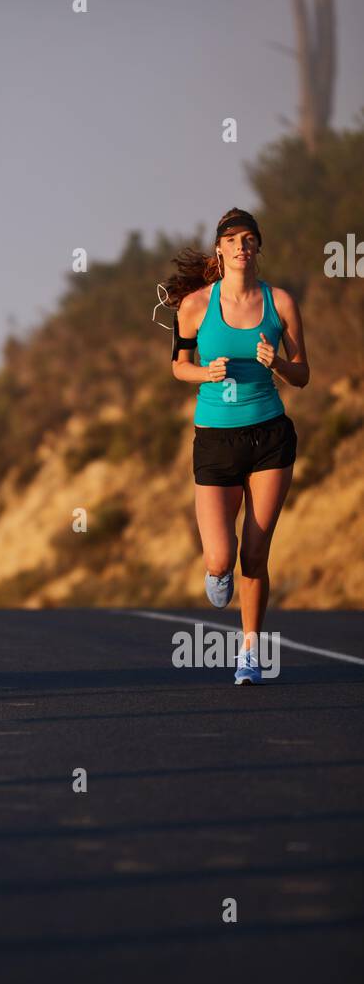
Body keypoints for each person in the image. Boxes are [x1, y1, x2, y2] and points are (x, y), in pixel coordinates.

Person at [161, 208, 309, 684]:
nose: (242, 245)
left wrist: (279, 365)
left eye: (249, 238)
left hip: (269, 436)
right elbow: (179, 365)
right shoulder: (196, 307)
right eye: (232, 238)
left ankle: (249, 651)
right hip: (215, 440)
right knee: (221, 560)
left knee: (256, 553)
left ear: (258, 248)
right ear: (220, 250)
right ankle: (216, 570)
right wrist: (206, 372)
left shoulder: (280, 303)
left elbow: (303, 373)